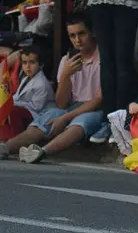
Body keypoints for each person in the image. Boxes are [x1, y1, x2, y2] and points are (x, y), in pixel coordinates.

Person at [0, 12, 103, 163]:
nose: (77, 40)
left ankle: (41, 152)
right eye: (72, 36)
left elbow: (99, 99)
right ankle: (6, 148)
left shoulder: (103, 58)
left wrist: (64, 118)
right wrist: (66, 75)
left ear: (92, 33)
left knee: (81, 123)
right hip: (70, 106)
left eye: (82, 34)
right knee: (48, 117)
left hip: (93, 108)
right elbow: (61, 103)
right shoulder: (66, 60)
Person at [3, 46, 54, 139]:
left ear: (41, 65)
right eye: (24, 63)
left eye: (32, 62)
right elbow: (17, 97)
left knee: (13, 110)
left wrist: (13, 105)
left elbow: (36, 107)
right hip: (24, 111)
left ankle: (15, 137)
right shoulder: (26, 78)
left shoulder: (42, 84)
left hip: (37, 116)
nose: (27, 66)